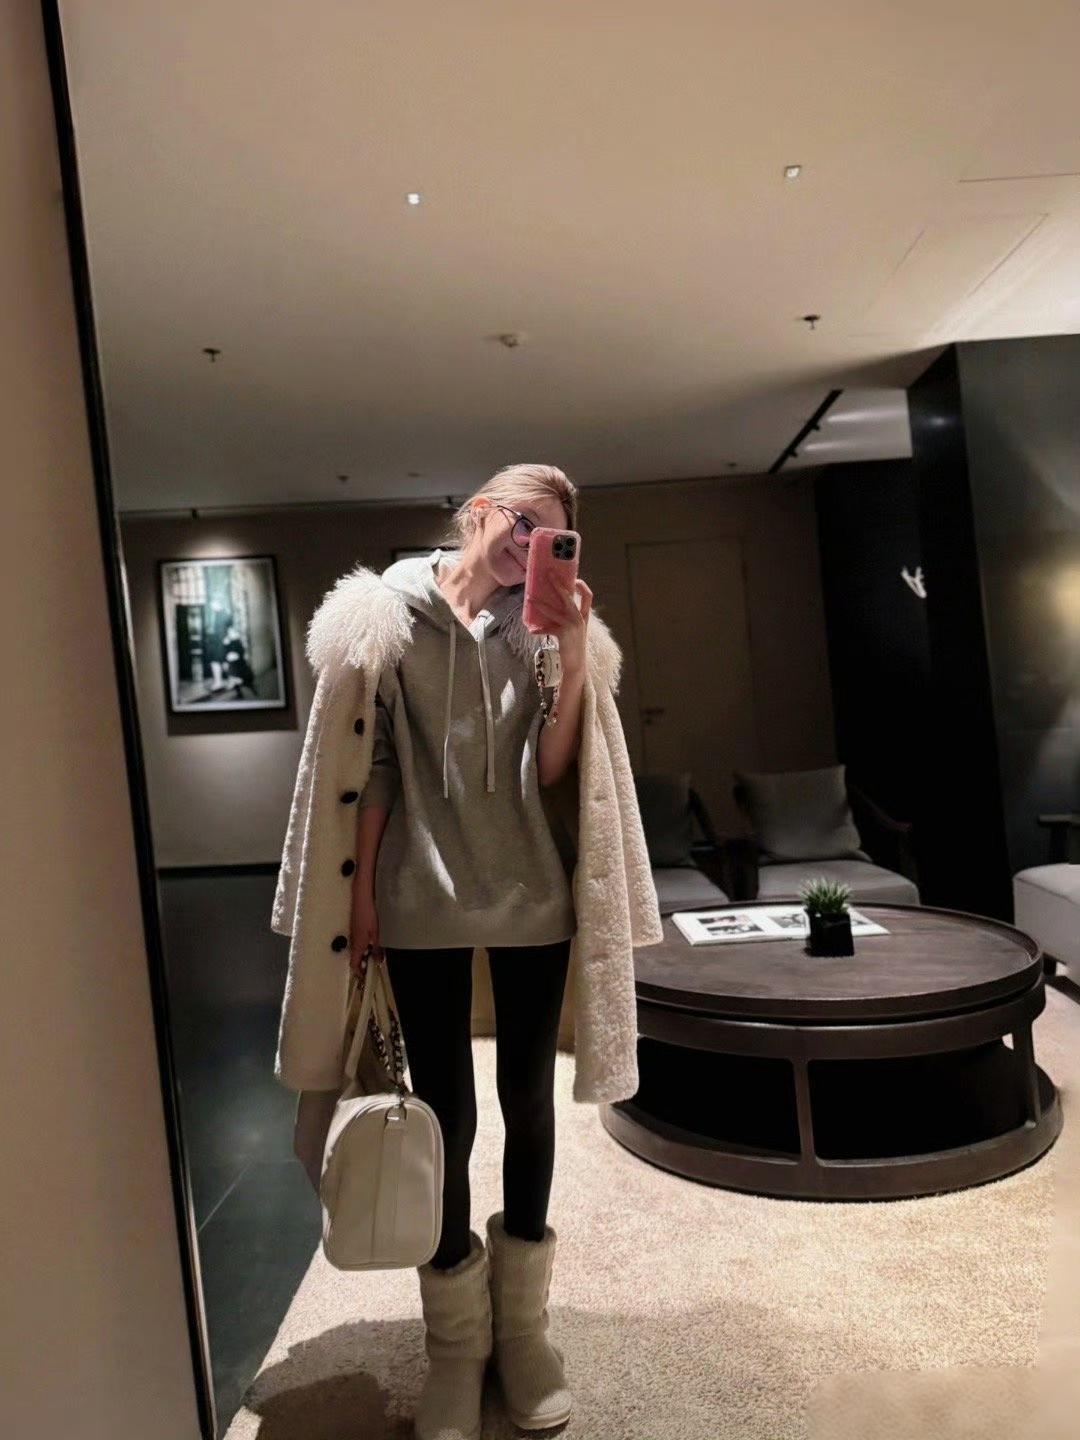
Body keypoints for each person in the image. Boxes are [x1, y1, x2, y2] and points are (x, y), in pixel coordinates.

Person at [353, 464, 587, 1439]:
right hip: (420, 888)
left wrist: (574, 653)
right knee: (442, 1111)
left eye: (552, 536)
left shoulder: (542, 625)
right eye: (523, 523)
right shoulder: (389, 610)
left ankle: (522, 1331)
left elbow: (554, 766)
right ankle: (455, 1343)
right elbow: (368, 759)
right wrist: (361, 896)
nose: (531, 547)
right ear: (479, 512)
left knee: (528, 1099)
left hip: (531, 888)